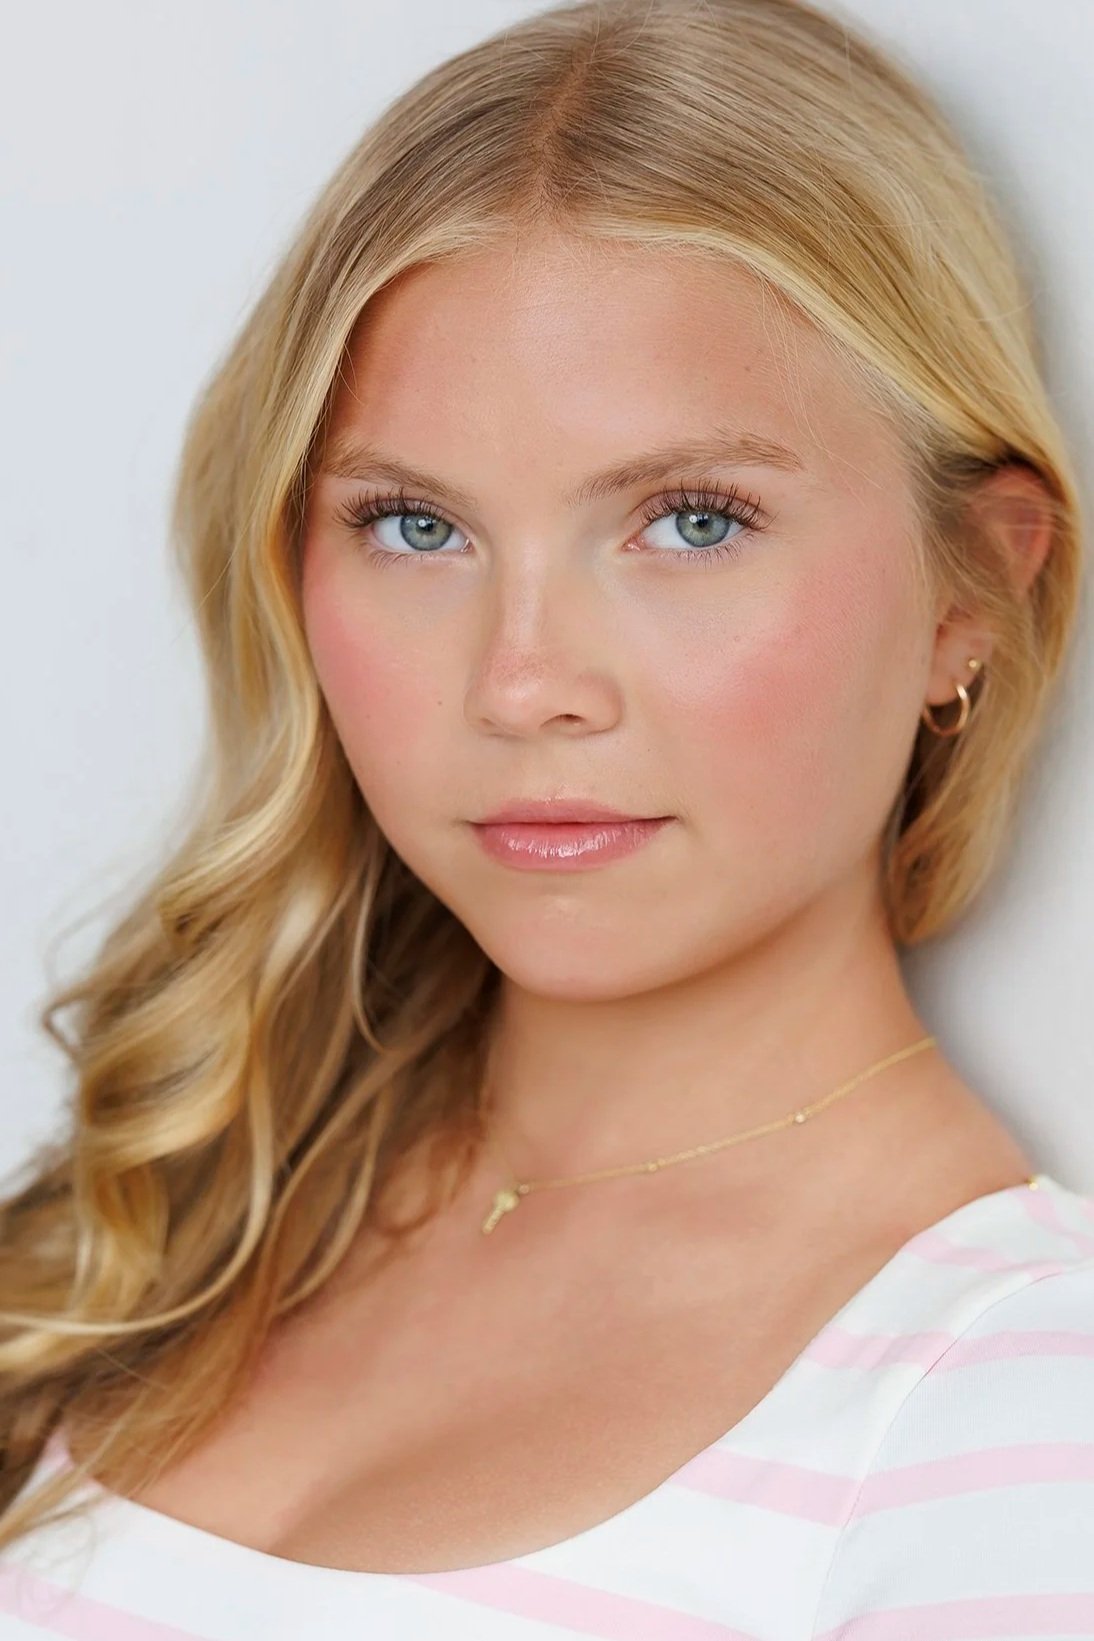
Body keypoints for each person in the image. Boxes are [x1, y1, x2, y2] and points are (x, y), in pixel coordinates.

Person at [2, 0, 1092, 1633]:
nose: (522, 683)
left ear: (972, 590)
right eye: (413, 524)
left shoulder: (1012, 1422)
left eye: (692, 520)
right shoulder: (183, 1217)